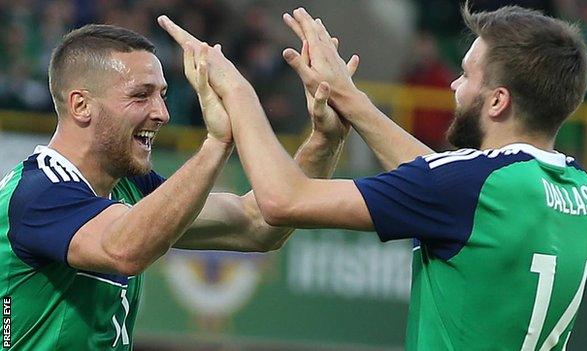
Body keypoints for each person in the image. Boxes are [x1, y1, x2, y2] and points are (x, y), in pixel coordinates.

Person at [188, 4, 587, 351]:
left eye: (466, 75)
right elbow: (443, 182)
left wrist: (238, 93)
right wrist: (348, 98)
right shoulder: (578, 187)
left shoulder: (467, 187)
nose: (455, 85)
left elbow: (281, 200)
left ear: (496, 101)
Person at [0, 20, 354, 349]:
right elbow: (124, 250)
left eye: (162, 94)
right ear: (81, 105)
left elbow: (258, 226)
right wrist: (217, 143)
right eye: (141, 96)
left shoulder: (129, 186)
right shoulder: (38, 192)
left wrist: (325, 140)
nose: (162, 113)